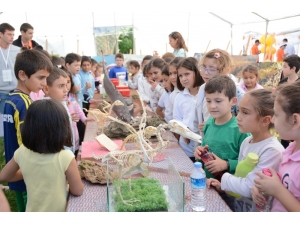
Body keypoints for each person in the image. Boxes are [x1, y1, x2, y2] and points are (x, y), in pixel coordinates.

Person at [206, 89, 284, 212]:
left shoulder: (272, 150)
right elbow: (240, 177)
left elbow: (250, 187)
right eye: (239, 111)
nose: (238, 117)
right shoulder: (247, 142)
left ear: (265, 120)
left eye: (245, 113)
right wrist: (223, 187)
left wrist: (225, 180)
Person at [0, 99, 84, 212]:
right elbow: (78, 190)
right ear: (62, 129)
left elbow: (4, 176)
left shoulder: (22, 151)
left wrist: (32, 171)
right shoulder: (66, 157)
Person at [3, 49, 53, 212]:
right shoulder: (25, 104)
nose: (44, 83)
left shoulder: (10, 99)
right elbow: (29, 142)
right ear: (23, 75)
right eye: (40, 77)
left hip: (14, 170)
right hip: (26, 174)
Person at [194, 75, 249, 210]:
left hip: (229, 191)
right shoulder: (209, 124)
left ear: (233, 101)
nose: (212, 106)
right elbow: (206, 149)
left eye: (218, 101)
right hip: (207, 185)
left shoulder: (240, 130)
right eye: (208, 101)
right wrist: (199, 153)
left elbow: (249, 163)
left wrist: (226, 164)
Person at [251, 81, 300, 212]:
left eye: (276, 115)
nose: (272, 120)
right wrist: (266, 185)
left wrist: (277, 190)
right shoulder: (291, 150)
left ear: (295, 120)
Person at [197, 49, 245, 137]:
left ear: (226, 70)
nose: (205, 72)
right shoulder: (203, 87)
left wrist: (215, 124)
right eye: (203, 67)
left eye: (212, 69)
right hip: (208, 137)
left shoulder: (237, 92)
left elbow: (244, 119)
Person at [173, 57, 204, 161]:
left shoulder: (205, 95)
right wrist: (184, 130)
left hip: (203, 146)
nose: (183, 79)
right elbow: (176, 120)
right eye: (180, 75)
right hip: (186, 147)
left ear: (197, 72)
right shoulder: (180, 97)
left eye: (187, 74)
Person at [43, 67, 75, 153]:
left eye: (66, 85)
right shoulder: (47, 110)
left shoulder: (62, 103)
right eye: (61, 86)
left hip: (68, 154)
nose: (66, 90)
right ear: (46, 89)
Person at [277, 55, 300, 149]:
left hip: (296, 117)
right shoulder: (282, 82)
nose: (283, 69)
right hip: (285, 116)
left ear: (293, 68)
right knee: (285, 141)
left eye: (285, 66)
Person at [0, 23, 21, 115]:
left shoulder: (18, 51)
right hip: (1, 93)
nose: (12, 37)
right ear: (1, 34)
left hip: (16, 91)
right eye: (9, 34)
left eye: (13, 34)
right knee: (3, 123)